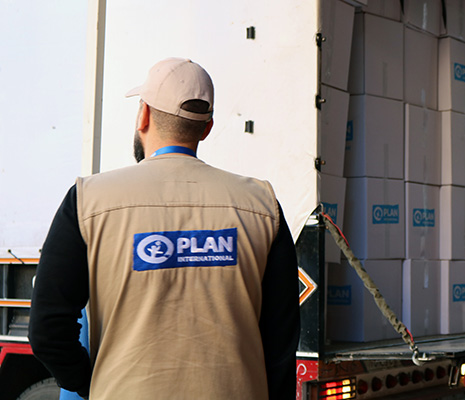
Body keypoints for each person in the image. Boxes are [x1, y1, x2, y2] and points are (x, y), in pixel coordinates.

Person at [28, 57, 300, 400]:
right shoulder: (261, 205)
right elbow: (281, 340)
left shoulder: (88, 200)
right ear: (207, 128)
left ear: (143, 115)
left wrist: (93, 385)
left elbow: (48, 329)